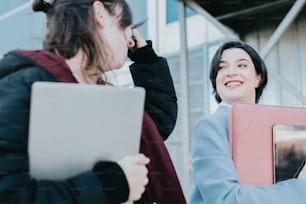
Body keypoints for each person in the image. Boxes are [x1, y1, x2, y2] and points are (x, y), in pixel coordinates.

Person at [0, 0, 186, 203]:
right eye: (125, 27)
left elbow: (153, 126)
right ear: (100, 13)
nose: (130, 41)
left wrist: (145, 58)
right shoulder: (26, 84)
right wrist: (112, 184)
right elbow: (9, 194)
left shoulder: (95, 92)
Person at [190, 40, 306, 204]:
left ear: (258, 78)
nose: (230, 72)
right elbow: (226, 199)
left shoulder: (282, 124)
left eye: (241, 65)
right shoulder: (210, 127)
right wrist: (300, 187)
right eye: (222, 67)